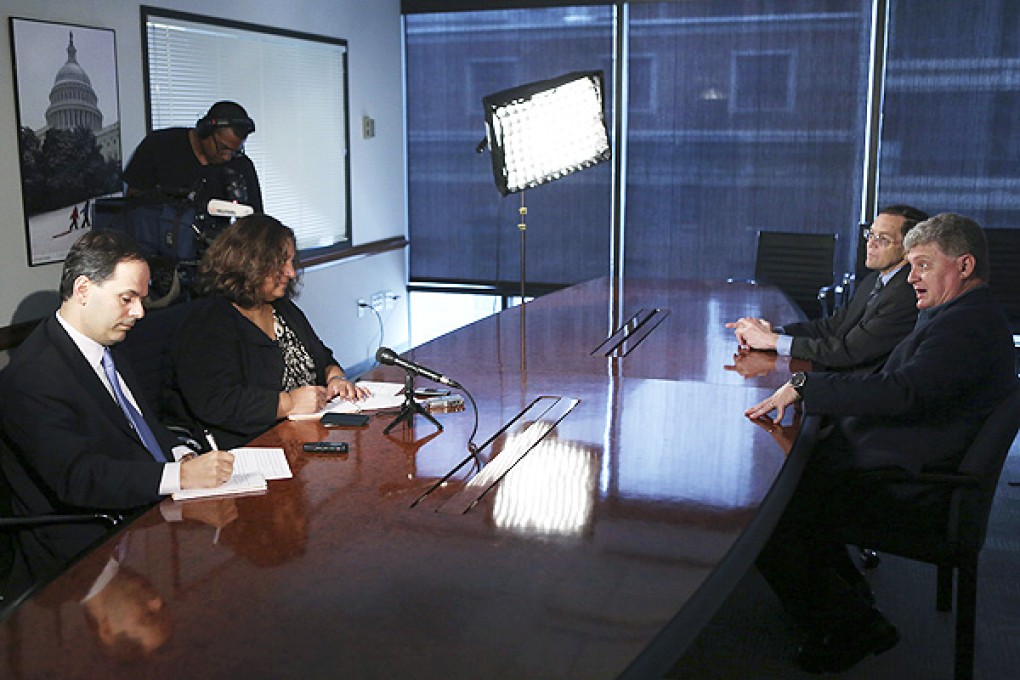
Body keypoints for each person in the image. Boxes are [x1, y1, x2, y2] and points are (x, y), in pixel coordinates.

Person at [744, 213, 1016, 673]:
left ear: (964, 266)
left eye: (924, 265)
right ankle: (849, 600)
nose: (911, 278)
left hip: (914, 483)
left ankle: (853, 627)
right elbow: (900, 382)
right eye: (910, 265)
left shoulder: (963, 325)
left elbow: (902, 392)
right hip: (913, 457)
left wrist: (808, 388)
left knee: (766, 511)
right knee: (791, 481)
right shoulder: (964, 314)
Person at [0, 231, 235, 527]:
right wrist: (181, 476)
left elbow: (141, 422)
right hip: (90, 534)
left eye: (140, 299)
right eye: (127, 298)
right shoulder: (32, 377)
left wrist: (182, 455)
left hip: (145, 505)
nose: (138, 312)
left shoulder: (108, 342)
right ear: (83, 289)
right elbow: (79, 478)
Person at [166, 214, 368, 450]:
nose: (291, 273)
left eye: (291, 262)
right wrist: (288, 403)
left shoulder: (281, 308)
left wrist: (336, 378)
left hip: (306, 436)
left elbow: (321, 356)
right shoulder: (208, 321)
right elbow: (216, 402)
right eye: (281, 263)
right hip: (251, 448)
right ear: (249, 263)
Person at [726, 205, 929, 373]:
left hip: (857, 396)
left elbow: (849, 352)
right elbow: (832, 327)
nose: (870, 244)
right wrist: (774, 332)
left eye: (882, 239)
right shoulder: (875, 279)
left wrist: (773, 341)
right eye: (871, 234)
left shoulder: (906, 293)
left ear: (909, 250)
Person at [122, 100, 263, 213]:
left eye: (235, 151)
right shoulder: (159, 145)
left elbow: (256, 222)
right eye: (223, 148)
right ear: (204, 131)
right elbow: (133, 199)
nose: (227, 157)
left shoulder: (241, 165)